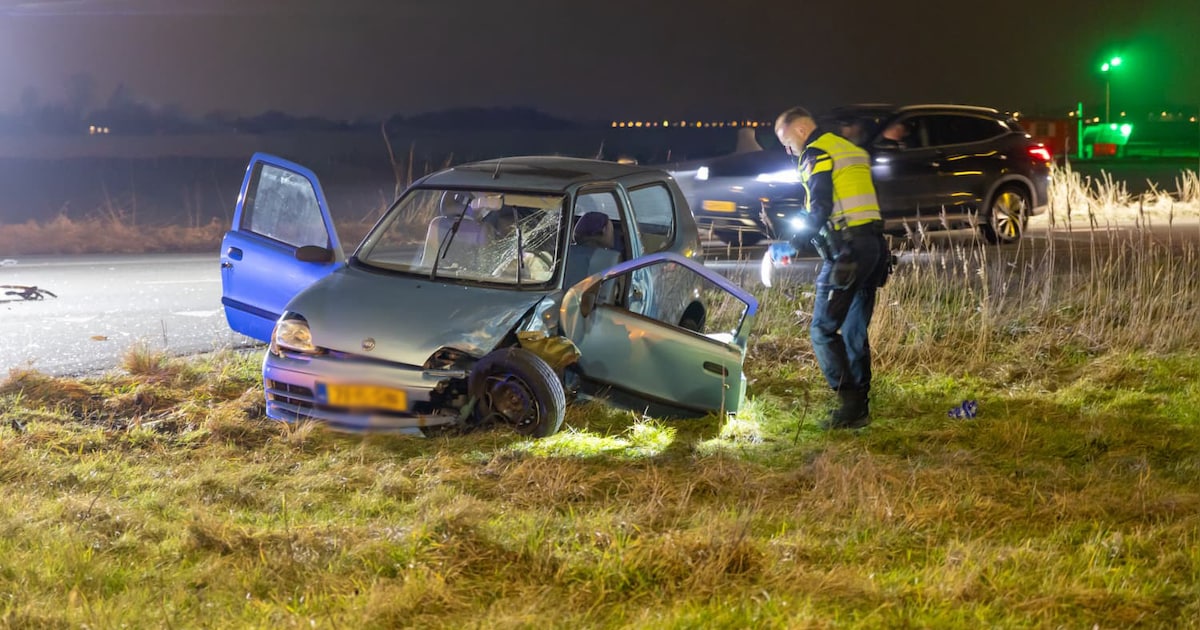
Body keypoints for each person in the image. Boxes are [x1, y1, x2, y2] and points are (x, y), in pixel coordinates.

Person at [769, 106, 893, 430]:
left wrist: (792, 244)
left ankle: (849, 405)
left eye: (786, 141)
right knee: (853, 331)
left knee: (822, 331)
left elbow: (821, 206)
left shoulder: (817, 151)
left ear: (799, 131)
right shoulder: (850, 150)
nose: (788, 150)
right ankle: (860, 407)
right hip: (874, 248)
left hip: (848, 254)